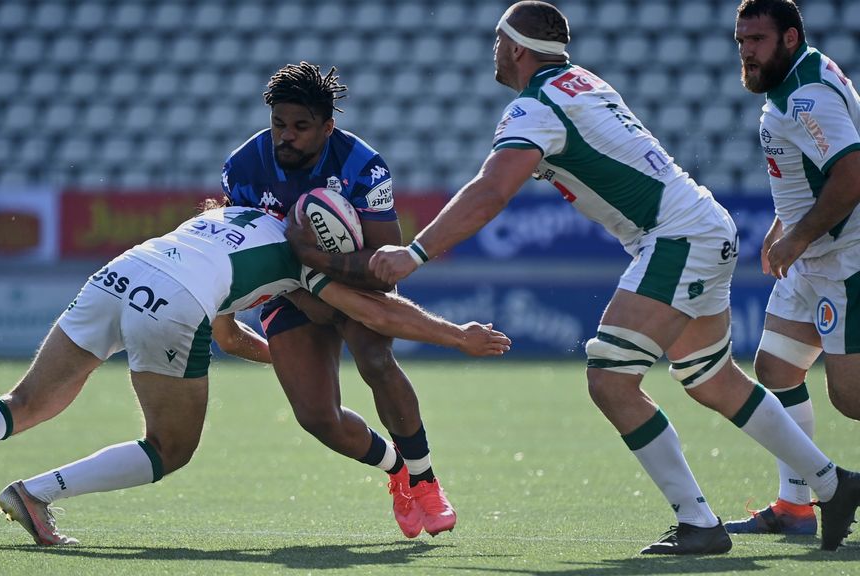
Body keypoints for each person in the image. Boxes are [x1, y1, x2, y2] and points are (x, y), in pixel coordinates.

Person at [363, 0, 860, 554]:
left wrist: (416, 252)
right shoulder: (579, 82)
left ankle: (700, 521)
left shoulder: (536, 107)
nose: (494, 53)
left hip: (677, 236)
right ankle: (831, 484)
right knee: (710, 379)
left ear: (517, 48)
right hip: (696, 224)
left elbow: (491, 189)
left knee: (610, 377)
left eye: (498, 42)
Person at [0, 204, 511, 545]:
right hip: (170, 303)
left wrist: (274, 360)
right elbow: (374, 309)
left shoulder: (229, 216)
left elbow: (229, 333)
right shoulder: (305, 263)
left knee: (26, 401)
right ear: (323, 239)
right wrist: (458, 336)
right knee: (168, 448)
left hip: (120, 272)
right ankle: (35, 495)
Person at [221, 61, 457, 538]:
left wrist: (319, 266)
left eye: (301, 127)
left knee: (374, 360)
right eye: (279, 125)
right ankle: (398, 471)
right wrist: (302, 284)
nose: (286, 136)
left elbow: (384, 265)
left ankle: (426, 479)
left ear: (328, 127)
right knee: (316, 418)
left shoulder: (362, 166)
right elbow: (241, 244)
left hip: (354, 280)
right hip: (286, 288)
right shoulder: (242, 168)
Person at [723, 0, 860, 536]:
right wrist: (786, 227)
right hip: (813, 253)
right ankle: (795, 506)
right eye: (740, 42)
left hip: (844, 258)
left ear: (789, 37)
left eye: (756, 40)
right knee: (778, 369)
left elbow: (851, 175)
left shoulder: (805, 97)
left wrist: (799, 234)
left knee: (851, 399)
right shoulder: (797, 79)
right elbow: (811, 171)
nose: (746, 52)